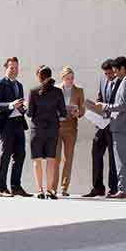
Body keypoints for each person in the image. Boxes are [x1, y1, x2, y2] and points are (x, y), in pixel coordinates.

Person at [91, 56, 126, 199]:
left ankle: (124, 189)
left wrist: (105, 106)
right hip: (125, 126)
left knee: (122, 160)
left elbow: (122, 106)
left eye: (115, 71)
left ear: (122, 69)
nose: (115, 74)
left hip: (121, 126)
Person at [0, 57, 32, 197]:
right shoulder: (0, 84)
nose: (14, 70)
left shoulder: (19, 85)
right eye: (11, 67)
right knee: (6, 155)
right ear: (6, 68)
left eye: (16, 67)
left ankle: (16, 186)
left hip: (19, 123)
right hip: (6, 124)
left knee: (20, 155)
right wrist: (10, 105)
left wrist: (23, 107)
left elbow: (19, 104)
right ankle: (2, 188)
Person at [26, 65, 67, 199]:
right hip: (52, 130)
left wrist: (26, 106)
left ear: (39, 76)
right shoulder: (58, 92)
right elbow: (63, 113)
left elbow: (30, 113)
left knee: (37, 160)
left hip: (37, 130)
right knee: (51, 160)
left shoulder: (33, 91)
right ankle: (50, 190)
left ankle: (39, 190)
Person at [84, 60, 120, 198]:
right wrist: (95, 111)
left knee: (112, 156)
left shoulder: (121, 83)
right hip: (101, 124)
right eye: (105, 73)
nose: (108, 76)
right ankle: (97, 187)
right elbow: (100, 98)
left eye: (110, 73)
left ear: (114, 71)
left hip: (114, 124)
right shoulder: (102, 80)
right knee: (96, 153)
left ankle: (113, 188)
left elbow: (119, 104)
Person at [54, 66, 84, 196]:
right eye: (67, 78)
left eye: (72, 78)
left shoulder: (79, 90)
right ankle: (53, 188)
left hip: (71, 127)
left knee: (68, 158)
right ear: (62, 78)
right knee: (55, 159)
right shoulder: (55, 89)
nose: (70, 81)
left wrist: (78, 112)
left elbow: (82, 108)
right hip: (57, 127)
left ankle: (64, 188)